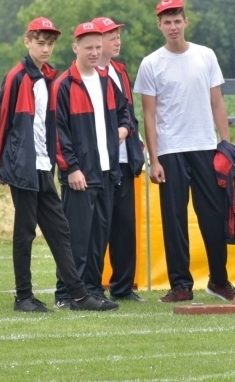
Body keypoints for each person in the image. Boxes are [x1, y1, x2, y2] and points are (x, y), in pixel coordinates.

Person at [0, 17, 118, 313]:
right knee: (25, 233)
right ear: (27, 42)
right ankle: (23, 297)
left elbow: (48, 128)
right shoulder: (17, 77)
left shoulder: (47, 78)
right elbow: (0, 120)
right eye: (40, 42)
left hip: (43, 166)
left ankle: (79, 295)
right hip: (22, 168)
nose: (45, 48)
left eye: (50, 43)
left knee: (60, 229)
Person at [133, 0, 235, 303]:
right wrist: (154, 159)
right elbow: (148, 114)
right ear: (159, 26)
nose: (173, 26)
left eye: (178, 20)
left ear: (186, 22)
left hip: (205, 146)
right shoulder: (151, 63)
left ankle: (219, 281)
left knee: (214, 216)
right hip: (171, 151)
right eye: (167, 22)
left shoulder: (206, 56)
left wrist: (226, 146)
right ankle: (181, 285)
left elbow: (217, 103)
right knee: (174, 219)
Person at [52, 21, 131, 308]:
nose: (95, 52)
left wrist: (122, 131)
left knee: (99, 235)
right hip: (80, 173)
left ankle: (93, 291)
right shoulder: (64, 85)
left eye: (99, 46)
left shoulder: (107, 81)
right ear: (75, 48)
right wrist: (70, 168)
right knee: (76, 237)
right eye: (89, 48)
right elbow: (57, 133)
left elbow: (126, 115)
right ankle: (66, 294)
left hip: (107, 171)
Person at [94, 16, 146, 302]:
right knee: (100, 224)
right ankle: (92, 284)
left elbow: (129, 112)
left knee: (125, 225)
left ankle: (123, 286)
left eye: (117, 35)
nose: (117, 40)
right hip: (101, 162)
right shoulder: (88, 73)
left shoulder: (121, 71)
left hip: (124, 159)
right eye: (111, 36)